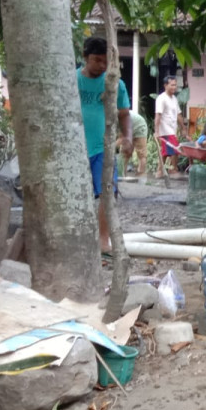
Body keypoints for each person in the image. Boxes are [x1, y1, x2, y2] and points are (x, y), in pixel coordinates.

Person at [77, 36, 131, 253]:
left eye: (105, 61)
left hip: (103, 148)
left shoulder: (115, 84)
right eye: (96, 60)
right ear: (85, 57)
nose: (101, 66)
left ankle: (103, 239)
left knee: (108, 193)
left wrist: (127, 137)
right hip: (76, 149)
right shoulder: (71, 81)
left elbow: (124, 114)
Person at [154, 76, 184, 178]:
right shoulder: (161, 98)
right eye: (172, 85)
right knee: (175, 149)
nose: (174, 87)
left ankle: (159, 172)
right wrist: (156, 131)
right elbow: (158, 115)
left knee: (166, 152)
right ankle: (173, 170)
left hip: (172, 129)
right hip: (165, 130)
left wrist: (183, 128)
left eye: (175, 85)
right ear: (165, 85)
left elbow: (178, 114)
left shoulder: (174, 99)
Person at [127, 110, 149, 181]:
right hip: (130, 125)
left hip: (140, 126)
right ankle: (122, 174)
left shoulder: (120, 116)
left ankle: (141, 174)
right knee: (125, 152)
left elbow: (121, 138)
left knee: (141, 153)